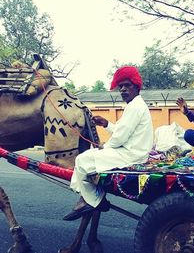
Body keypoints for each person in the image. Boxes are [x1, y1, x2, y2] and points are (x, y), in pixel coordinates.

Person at [63, 66, 153, 221]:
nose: (123, 89)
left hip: (130, 155)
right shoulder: (135, 105)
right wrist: (106, 124)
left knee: (82, 160)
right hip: (131, 151)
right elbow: (123, 131)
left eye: (127, 85)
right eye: (121, 86)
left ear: (136, 86)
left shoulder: (135, 107)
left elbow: (120, 137)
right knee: (88, 156)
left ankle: (93, 200)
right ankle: (87, 198)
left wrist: (104, 147)